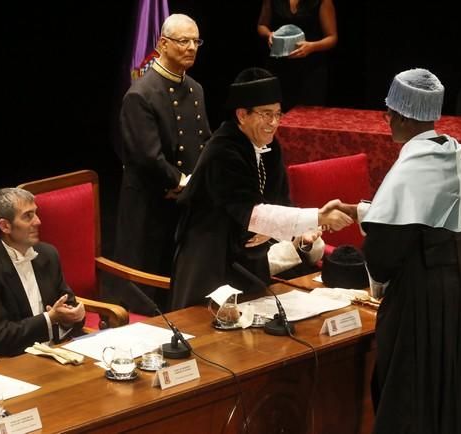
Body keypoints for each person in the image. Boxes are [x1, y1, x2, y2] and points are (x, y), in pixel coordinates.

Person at [333, 68, 461, 433]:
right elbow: (429, 223)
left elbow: (384, 257)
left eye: (389, 112)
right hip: (455, 299)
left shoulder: (410, 171)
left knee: (408, 402)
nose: (387, 119)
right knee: (445, 395)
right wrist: (361, 211)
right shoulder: (457, 159)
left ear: (403, 116)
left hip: (416, 306)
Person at [170, 67, 352, 310]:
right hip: (210, 259)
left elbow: (280, 202)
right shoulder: (223, 150)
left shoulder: (269, 147)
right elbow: (250, 213)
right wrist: (316, 217)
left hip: (250, 259)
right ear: (242, 114)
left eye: (278, 114)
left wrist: (299, 233)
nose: (274, 123)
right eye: (266, 114)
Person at [112, 14, 211, 314]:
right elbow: (147, 157)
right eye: (184, 41)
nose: (191, 47)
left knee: (180, 291)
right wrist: (182, 182)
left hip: (183, 203)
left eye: (196, 41)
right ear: (162, 44)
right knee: (148, 295)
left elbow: (205, 142)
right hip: (151, 205)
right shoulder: (140, 94)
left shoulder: (195, 89)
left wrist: (201, 179)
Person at [0, 188, 86, 357]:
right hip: (16, 361)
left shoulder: (48, 254)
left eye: (36, 213)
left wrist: (75, 315)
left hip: (58, 351)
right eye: (28, 216)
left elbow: (67, 303)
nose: (38, 221)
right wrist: (50, 318)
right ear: (5, 226)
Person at [257, 0, 337, 111]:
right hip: (278, 67)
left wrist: (312, 47)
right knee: (276, 113)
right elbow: (262, 25)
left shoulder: (322, 1)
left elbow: (332, 37)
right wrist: (269, 35)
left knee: (307, 116)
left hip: (310, 70)